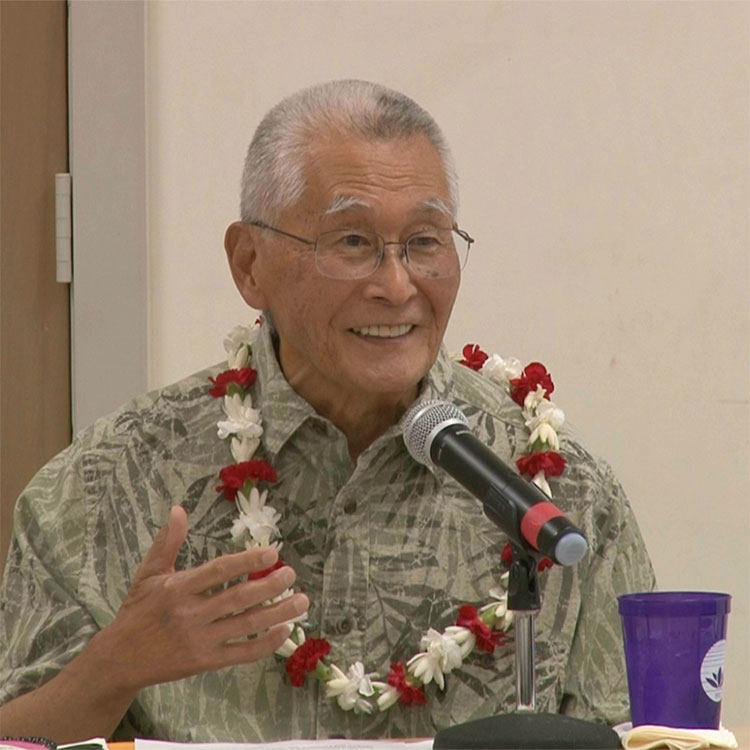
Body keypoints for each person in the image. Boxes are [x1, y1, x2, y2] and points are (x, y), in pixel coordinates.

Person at [0, 80, 654, 742]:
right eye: (352, 242)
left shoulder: (556, 494)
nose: (397, 286)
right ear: (249, 264)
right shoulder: (109, 485)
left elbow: (648, 734)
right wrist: (114, 668)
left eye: (426, 241)